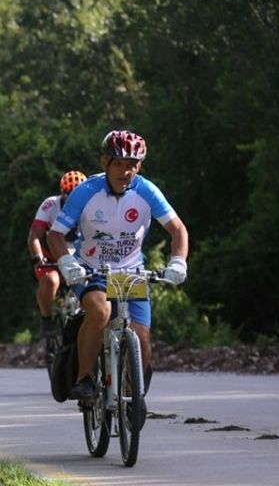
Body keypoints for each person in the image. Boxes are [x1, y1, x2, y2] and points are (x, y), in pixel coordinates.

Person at [48, 130, 189, 402]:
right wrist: (66, 262)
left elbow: (178, 230)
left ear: (140, 166)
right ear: (104, 162)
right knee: (101, 311)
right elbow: (55, 234)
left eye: (132, 165)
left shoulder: (146, 191)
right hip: (91, 270)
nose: (126, 172)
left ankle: (132, 395)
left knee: (142, 337)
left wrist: (178, 262)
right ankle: (85, 378)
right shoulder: (86, 191)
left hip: (130, 272)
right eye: (120, 164)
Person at [27, 170, 87, 344]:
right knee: (50, 280)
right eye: (70, 196)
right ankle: (46, 320)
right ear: (62, 193)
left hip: (80, 259)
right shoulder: (50, 205)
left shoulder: (91, 206)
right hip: (52, 258)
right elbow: (35, 235)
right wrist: (38, 257)